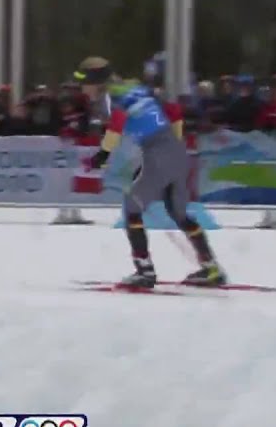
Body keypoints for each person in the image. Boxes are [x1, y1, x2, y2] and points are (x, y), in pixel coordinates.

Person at [74, 57, 225, 288]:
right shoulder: (135, 88)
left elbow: (118, 121)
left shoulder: (110, 97)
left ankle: (144, 270)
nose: (82, 88)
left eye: (84, 82)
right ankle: (211, 268)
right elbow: (173, 110)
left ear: (96, 81)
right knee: (179, 213)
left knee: (132, 207)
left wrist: (103, 154)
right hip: (175, 150)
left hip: (160, 153)